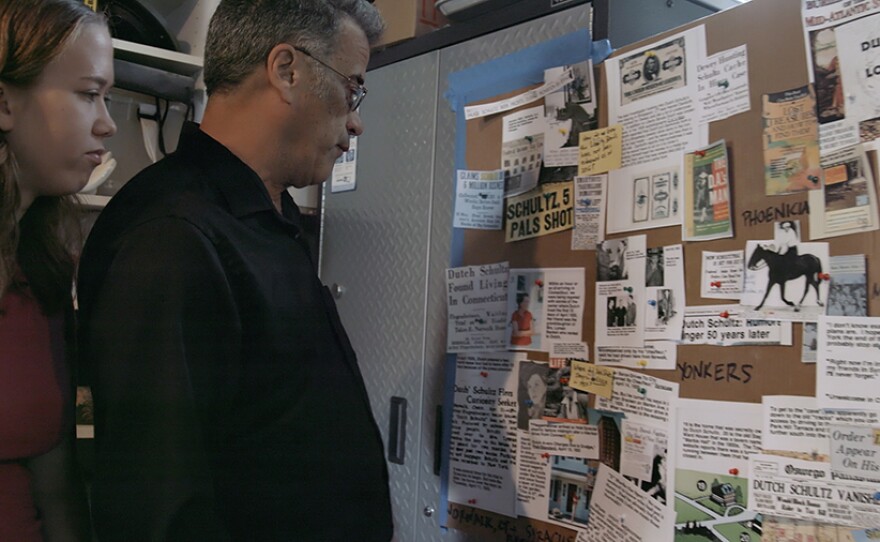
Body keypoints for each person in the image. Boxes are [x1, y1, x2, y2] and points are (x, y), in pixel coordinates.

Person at [76, 1, 392, 540]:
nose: (356, 120)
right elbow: (158, 504)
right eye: (352, 87)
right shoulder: (173, 233)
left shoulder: (269, 216)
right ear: (286, 70)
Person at [0, 1, 115, 540]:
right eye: (88, 94)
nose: (107, 123)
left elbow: (56, 482)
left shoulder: (40, 271)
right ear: (4, 101)